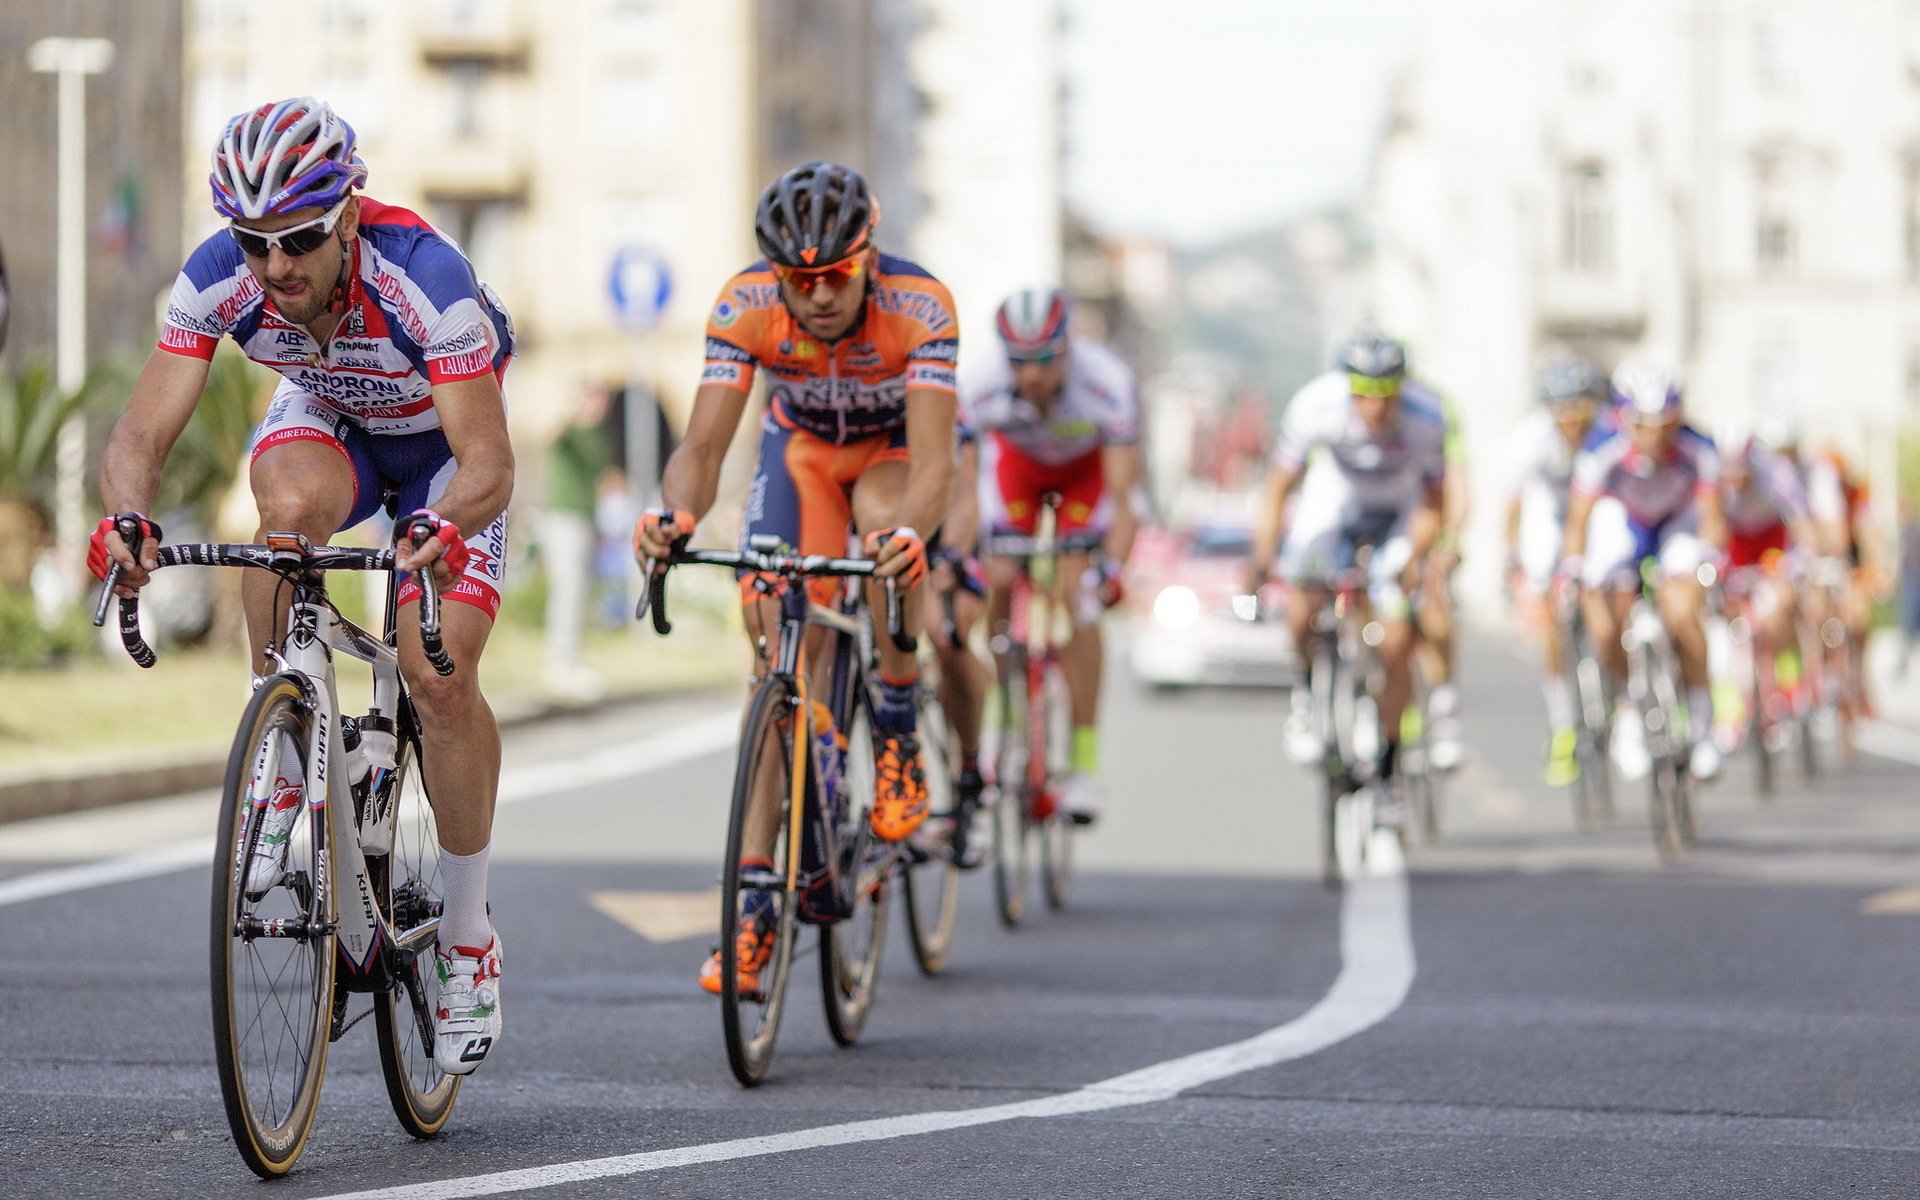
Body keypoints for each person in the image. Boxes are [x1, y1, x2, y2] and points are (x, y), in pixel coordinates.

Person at [91, 98, 513, 1075]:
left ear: (349, 216)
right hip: (329, 418)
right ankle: (284, 759)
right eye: (254, 243)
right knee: (277, 530)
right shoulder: (218, 282)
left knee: (435, 670)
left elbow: (488, 460)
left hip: (444, 450)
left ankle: (468, 939)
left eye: (300, 239)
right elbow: (142, 431)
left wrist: (445, 530)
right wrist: (127, 519)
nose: (277, 267)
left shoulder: (426, 280)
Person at [630, 161, 958, 995]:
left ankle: (894, 727)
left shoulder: (920, 305)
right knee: (774, 661)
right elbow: (701, 449)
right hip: (802, 452)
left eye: (835, 276)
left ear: (869, 258)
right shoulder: (744, 305)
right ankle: (752, 910)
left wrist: (916, 533)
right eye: (797, 280)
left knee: (888, 531)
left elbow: (934, 463)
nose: (815, 296)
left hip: (890, 457)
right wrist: (677, 517)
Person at [1245, 329, 1448, 820]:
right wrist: (1263, 559)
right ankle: (1304, 686)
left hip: (1398, 510)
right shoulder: (1315, 407)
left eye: (1385, 394)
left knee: (1397, 641)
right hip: (1334, 501)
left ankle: (1388, 770)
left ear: (1402, 388)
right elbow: (1278, 490)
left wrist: (1412, 560)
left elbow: (1434, 504)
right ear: (1346, 386)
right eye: (1362, 393)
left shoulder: (1427, 417)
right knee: (1301, 601)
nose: (1374, 408)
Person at [964, 287, 1143, 824]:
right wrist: (964, 547)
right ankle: (1003, 712)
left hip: (1085, 475)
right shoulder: (979, 384)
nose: (1032, 375)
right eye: (1019, 361)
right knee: (997, 572)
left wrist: (1111, 568)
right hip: (1016, 470)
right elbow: (963, 481)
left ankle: (1085, 763)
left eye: (1044, 359)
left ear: (1067, 348)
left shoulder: (1106, 383)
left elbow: (1124, 494)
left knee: (1077, 594)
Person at [1557, 362, 1726, 782]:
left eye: (1666, 425)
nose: (1656, 436)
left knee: (1683, 610)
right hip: (1624, 521)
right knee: (1604, 615)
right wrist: (1574, 569)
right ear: (1624, 419)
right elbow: (1579, 519)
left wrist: (1710, 560)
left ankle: (1703, 726)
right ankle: (1629, 711)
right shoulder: (1601, 447)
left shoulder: (1699, 447)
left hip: (1675, 522)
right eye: (1644, 425)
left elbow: (1711, 517)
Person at [1504, 353, 1609, 786]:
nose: (1570, 419)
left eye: (1579, 408)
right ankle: (1564, 720)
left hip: (1597, 512)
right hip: (1549, 513)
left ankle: (1615, 690)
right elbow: (1514, 503)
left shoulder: (1607, 435)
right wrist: (1511, 557)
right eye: (1560, 409)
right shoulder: (1531, 438)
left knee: (1603, 588)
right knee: (1550, 605)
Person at [928, 418, 991, 866]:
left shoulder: (929, 386)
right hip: (861, 514)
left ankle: (970, 771)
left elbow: (964, 488)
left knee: (947, 638)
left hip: (941, 526)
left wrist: (951, 553)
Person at [542, 382, 615, 698]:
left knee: (581, 592)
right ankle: (559, 666)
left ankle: (571, 661)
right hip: (562, 519)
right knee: (567, 591)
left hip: (586, 520)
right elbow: (548, 435)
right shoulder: (569, 431)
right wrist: (571, 410)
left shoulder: (600, 437)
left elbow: (599, 481)